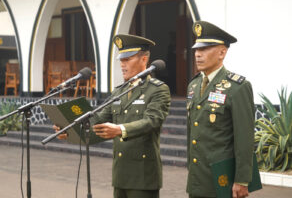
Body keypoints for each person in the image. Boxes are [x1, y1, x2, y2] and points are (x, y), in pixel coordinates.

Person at [56, 34, 171, 198]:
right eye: (121, 60)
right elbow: (98, 120)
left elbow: (152, 121)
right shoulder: (119, 91)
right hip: (120, 174)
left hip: (143, 175)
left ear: (144, 60)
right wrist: (69, 130)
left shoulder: (157, 89)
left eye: (128, 59)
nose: (122, 64)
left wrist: (120, 129)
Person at [186, 21, 255, 198]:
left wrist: (242, 180)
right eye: (196, 49)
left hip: (222, 179)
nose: (198, 54)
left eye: (205, 49)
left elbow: (244, 138)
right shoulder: (193, 85)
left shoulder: (237, 87)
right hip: (197, 178)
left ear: (222, 52)